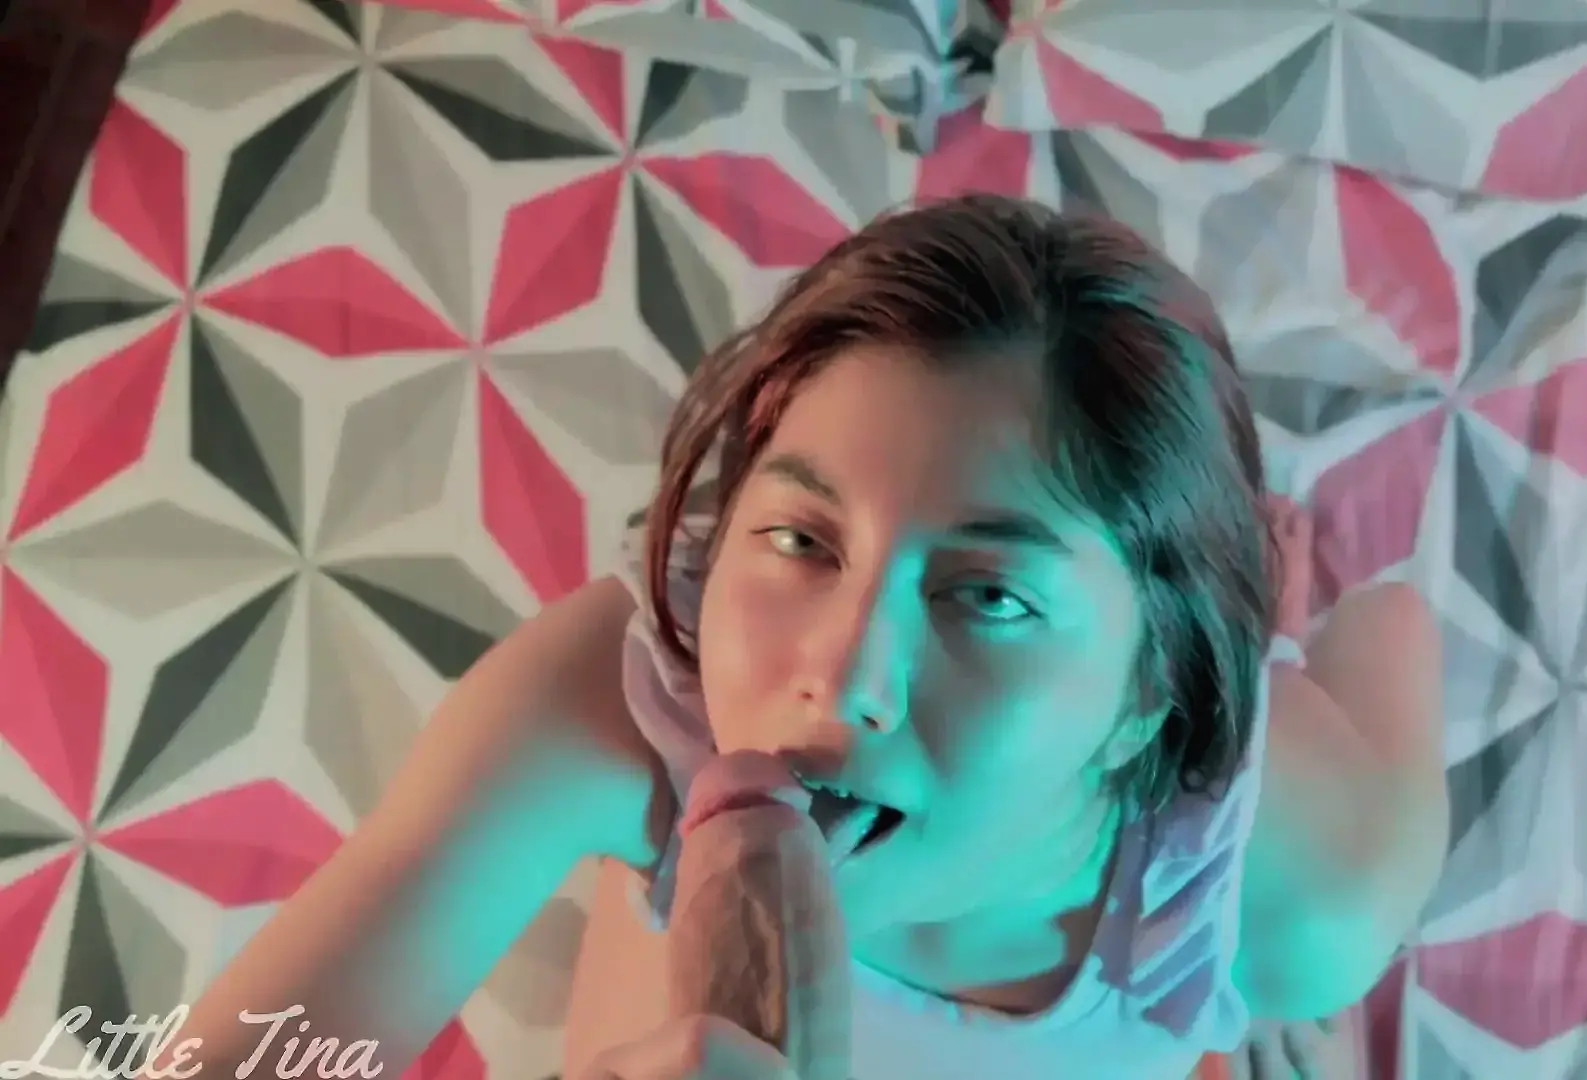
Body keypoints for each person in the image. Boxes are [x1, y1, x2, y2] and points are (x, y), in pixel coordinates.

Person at [150, 195, 1446, 1080]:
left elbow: (1399, 625)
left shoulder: (1306, 897)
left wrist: (1286, 645)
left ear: (1141, 695)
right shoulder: (631, 700)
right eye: (802, 538)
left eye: (990, 595)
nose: (838, 675)